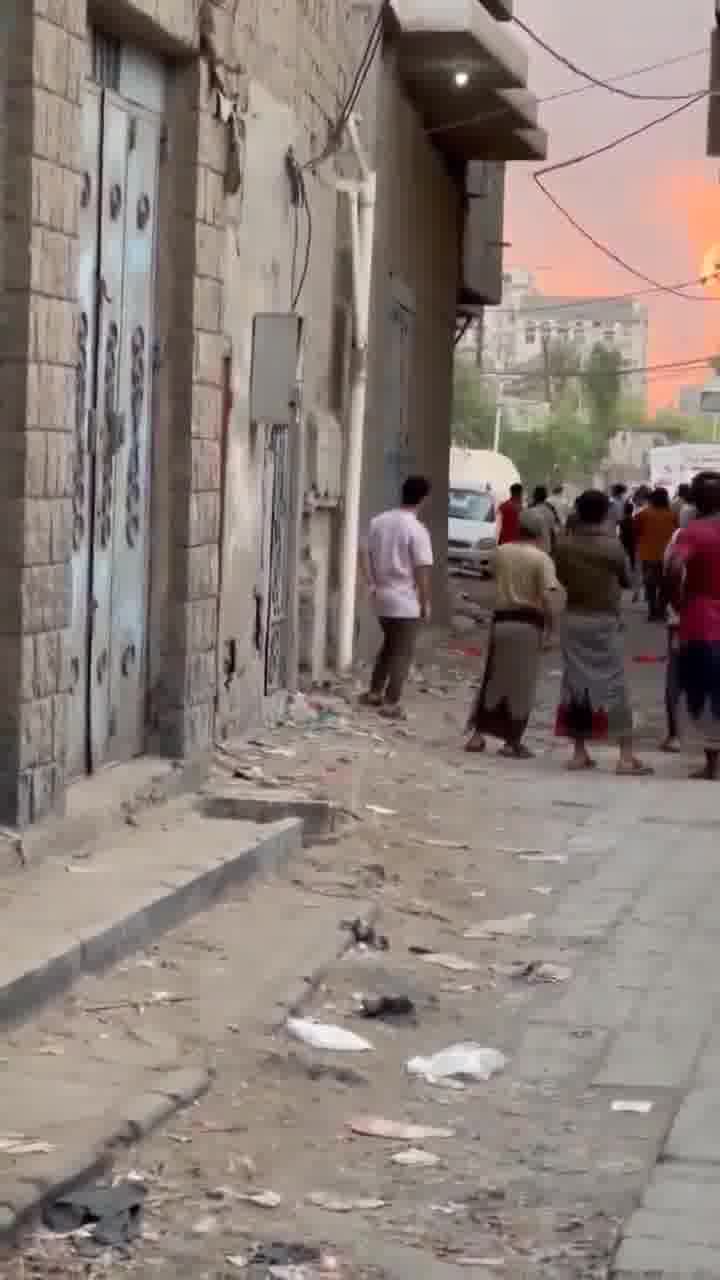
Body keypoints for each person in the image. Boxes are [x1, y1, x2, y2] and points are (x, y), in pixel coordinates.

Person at [554, 489, 652, 776]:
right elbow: (628, 581)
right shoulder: (613, 547)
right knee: (615, 686)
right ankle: (625, 756)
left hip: (574, 618)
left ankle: (579, 752)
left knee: (575, 685)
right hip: (605, 622)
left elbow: (558, 578)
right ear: (605, 514)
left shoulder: (563, 546)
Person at [466, 509, 565, 759]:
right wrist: (553, 630)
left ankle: (477, 736)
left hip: (501, 622)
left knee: (492, 679)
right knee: (521, 685)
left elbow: (492, 576)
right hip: (528, 625)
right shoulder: (541, 560)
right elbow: (547, 596)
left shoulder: (501, 551)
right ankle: (512, 742)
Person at [359, 475, 433, 719]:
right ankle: (391, 702)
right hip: (405, 601)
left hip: (381, 597)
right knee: (403, 652)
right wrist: (425, 603)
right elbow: (422, 570)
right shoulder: (417, 529)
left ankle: (374, 692)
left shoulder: (379, 521)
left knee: (390, 645)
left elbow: (364, 554)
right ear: (423, 499)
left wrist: (371, 584)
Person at [665, 471, 720, 780]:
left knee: (704, 687)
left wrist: (676, 600)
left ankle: (713, 762)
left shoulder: (693, 532)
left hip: (701, 618)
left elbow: (674, 567)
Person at [634, 487, 676, 622]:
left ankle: (652, 611)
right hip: (667, 556)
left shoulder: (643, 514)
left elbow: (636, 532)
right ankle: (661, 610)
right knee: (666, 585)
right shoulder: (672, 515)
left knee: (650, 584)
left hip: (648, 555)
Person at [530, 484, 559, 555]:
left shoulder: (529, 509)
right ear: (546, 496)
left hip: (532, 548)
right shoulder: (551, 509)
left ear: (534, 495)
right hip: (547, 548)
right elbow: (554, 530)